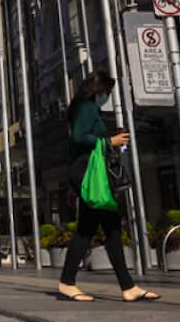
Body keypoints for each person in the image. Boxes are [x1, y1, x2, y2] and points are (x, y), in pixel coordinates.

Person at [57, 71, 160, 303]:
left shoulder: (84, 107)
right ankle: (68, 282)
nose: (108, 97)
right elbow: (79, 137)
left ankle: (127, 286)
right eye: (108, 92)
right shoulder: (87, 106)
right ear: (99, 90)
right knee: (90, 229)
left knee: (110, 227)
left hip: (86, 172)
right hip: (88, 172)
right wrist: (109, 142)